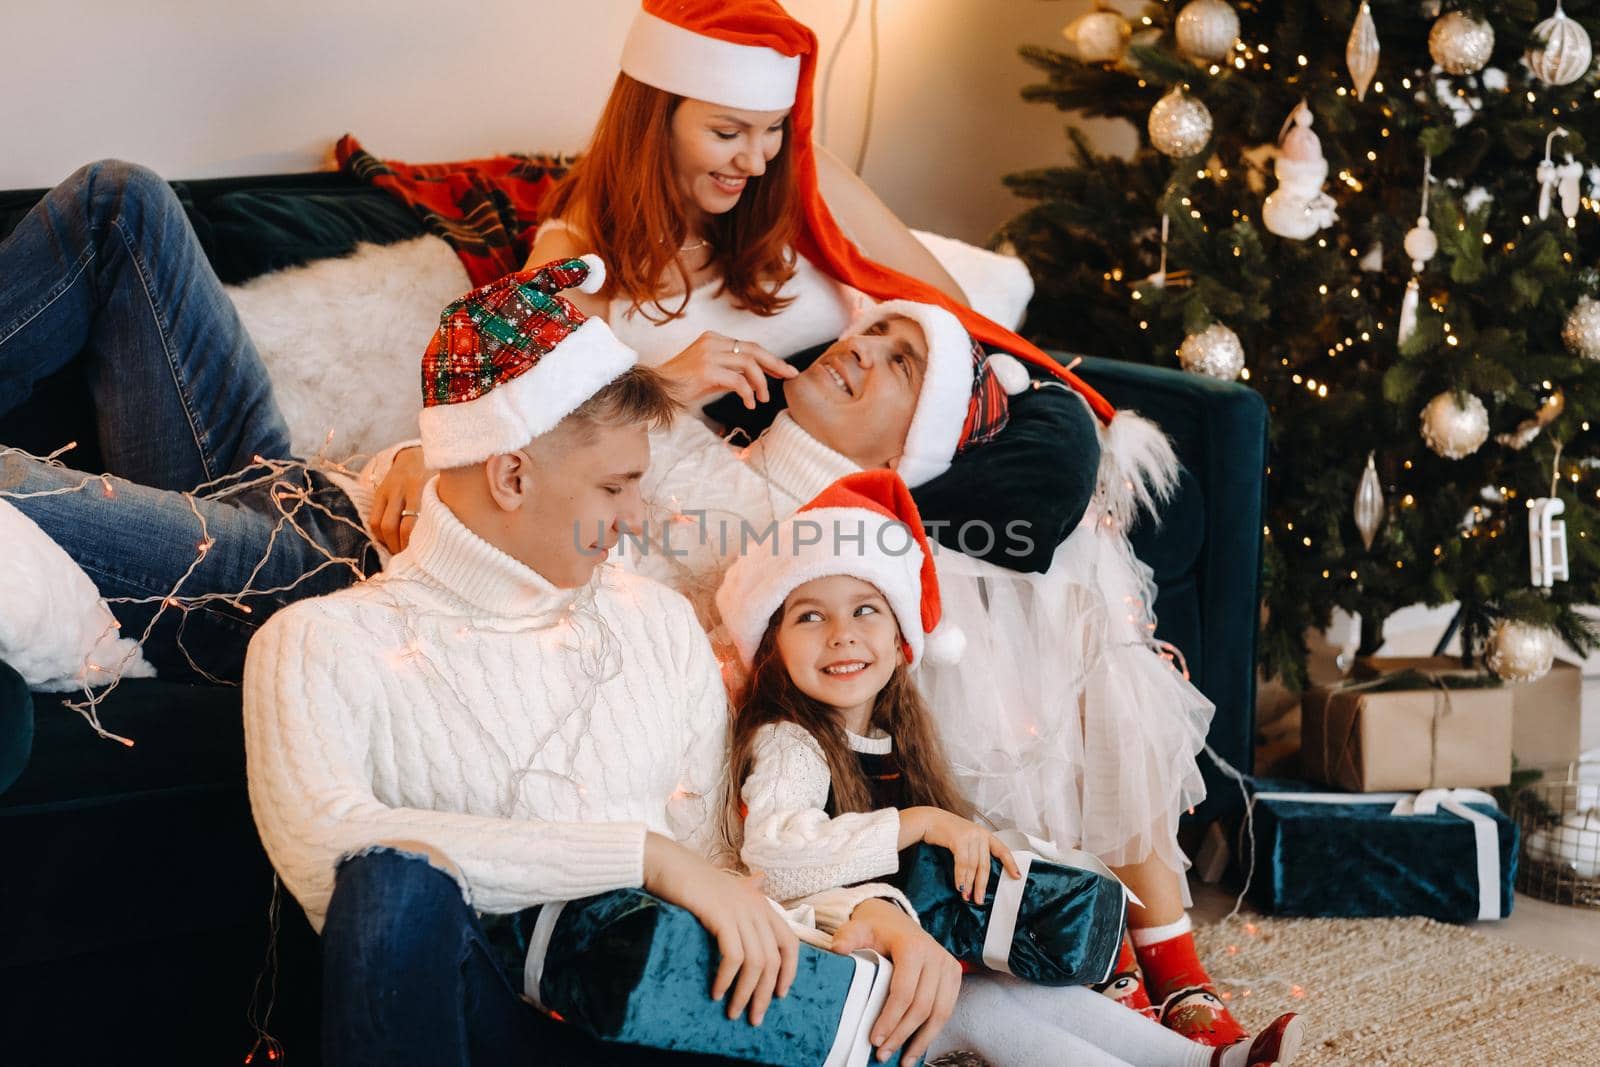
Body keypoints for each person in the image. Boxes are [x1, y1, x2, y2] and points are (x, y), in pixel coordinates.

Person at [370, 0, 1237, 1045]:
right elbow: (536, 406)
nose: (754, 159)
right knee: (957, 579)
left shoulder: (802, 190)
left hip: (897, 466)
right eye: (725, 133)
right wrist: (658, 372)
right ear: (656, 118)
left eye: (770, 131)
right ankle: (1077, 938)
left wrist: (907, 421)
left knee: (1062, 545)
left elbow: (945, 313)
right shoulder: (579, 252)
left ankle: (1156, 941)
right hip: (784, 506)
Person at [242, 259, 965, 1066]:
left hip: (660, 1023)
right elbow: (330, 849)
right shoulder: (319, 642)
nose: (635, 517)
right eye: (616, 487)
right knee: (394, 887)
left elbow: (729, 858)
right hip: (486, 1027)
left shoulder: (654, 622)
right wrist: (643, 857)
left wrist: (864, 912)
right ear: (511, 474)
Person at [713, 470, 1305, 1067]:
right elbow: (777, 855)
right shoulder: (789, 740)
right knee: (986, 1010)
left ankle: (1202, 1062)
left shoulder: (895, 739)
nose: (842, 636)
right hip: (833, 965)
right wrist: (917, 823)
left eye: (865, 610)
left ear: (900, 640)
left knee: (1027, 988)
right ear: (774, 646)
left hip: (909, 959)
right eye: (810, 617)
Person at [0, 160, 394, 689]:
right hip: (308, 492)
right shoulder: (532, 313)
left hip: (324, 579)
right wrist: (411, 454)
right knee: (120, 203)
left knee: (10, 484)